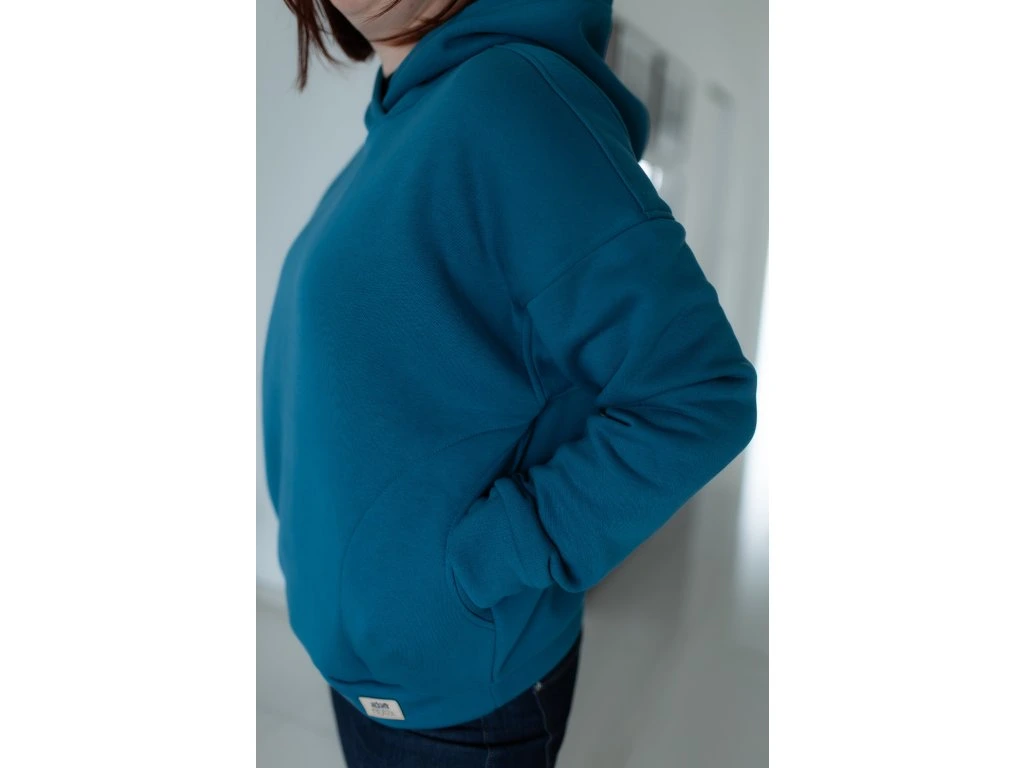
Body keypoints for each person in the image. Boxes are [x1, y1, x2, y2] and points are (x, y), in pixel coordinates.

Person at [261, 0, 757, 765]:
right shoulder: (397, 134)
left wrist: (481, 565)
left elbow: (697, 394)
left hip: (457, 696)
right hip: (379, 671)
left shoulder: (508, 98)